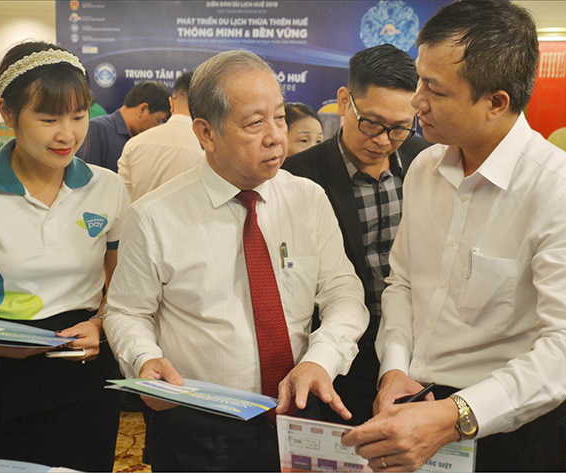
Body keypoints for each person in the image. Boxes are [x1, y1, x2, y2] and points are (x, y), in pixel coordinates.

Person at [342, 1, 566, 472]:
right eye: (420, 80)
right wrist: (394, 368)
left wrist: (456, 414)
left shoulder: (558, 188)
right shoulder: (424, 167)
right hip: (414, 403)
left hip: (508, 425)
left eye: (435, 89)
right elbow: (404, 283)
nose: (416, 101)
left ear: (495, 103)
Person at [103, 49, 369, 472]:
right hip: (198, 425)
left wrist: (321, 359)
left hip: (299, 414)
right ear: (206, 133)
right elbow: (126, 311)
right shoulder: (154, 215)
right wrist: (142, 358)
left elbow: (343, 293)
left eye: (279, 117)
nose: (276, 137)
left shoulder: (307, 199)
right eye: (254, 124)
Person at [0, 41, 130, 471]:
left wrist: (100, 325)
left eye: (79, 116)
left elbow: (121, 283)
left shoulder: (107, 187)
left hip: (81, 367)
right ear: (7, 112)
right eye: (49, 118)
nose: (67, 134)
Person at [282, 43, 431, 426]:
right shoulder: (298, 176)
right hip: (338, 356)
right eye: (372, 123)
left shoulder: (428, 162)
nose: (383, 140)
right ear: (345, 101)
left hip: (416, 353)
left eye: (400, 127)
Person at [118, 71, 204, 202]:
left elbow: (122, 198)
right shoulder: (208, 149)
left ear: (171, 104)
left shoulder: (134, 144)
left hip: (137, 215)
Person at [78, 80, 171, 172]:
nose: (158, 127)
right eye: (159, 120)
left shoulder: (144, 141)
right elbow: (84, 175)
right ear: (142, 109)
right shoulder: (98, 129)